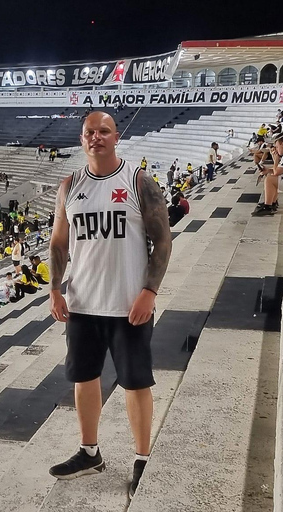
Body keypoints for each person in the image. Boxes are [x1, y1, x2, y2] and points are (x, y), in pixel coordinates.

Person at [48, 111, 172, 499]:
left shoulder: (138, 182)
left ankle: (142, 458)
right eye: (89, 132)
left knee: (135, 382)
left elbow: (163, 241)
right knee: (84, 378)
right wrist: (55, 289)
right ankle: (89, 452)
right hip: (83, 301)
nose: (96, 137)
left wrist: (149, 292)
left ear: (116, 136)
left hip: (127, 303)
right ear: (81, 139)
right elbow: (58, 242)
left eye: (103, 131)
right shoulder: (70, 185)